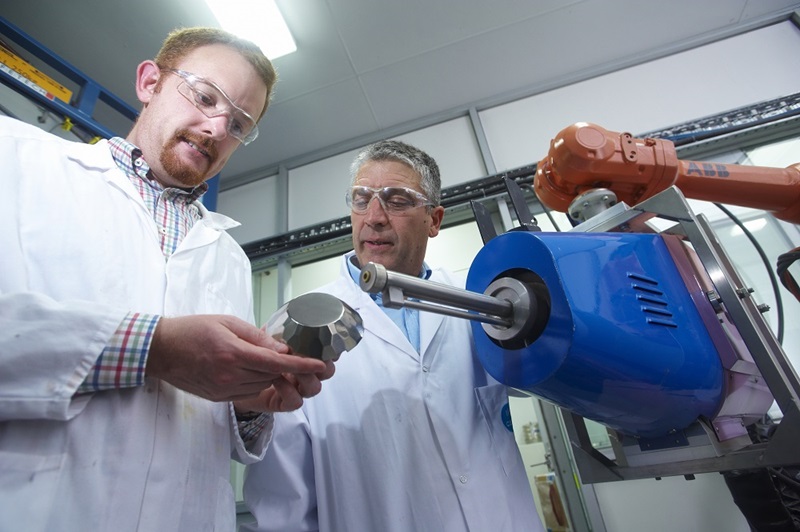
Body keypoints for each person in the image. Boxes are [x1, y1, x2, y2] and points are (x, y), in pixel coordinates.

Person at [0, 27, 334, 531]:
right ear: (149, 82)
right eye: (204, 97)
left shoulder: (229, 258)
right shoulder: (18, 160)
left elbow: (219, 431)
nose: (218, 129)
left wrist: (246, 402)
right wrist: (151, 348)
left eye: (239, 124)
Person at [242, 140, 544, 531]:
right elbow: (282, 499)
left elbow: (547, 381)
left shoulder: (479, 303)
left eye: (397, 200)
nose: (375, 217)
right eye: (361, 199)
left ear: (434, 220)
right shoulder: (297, 326)